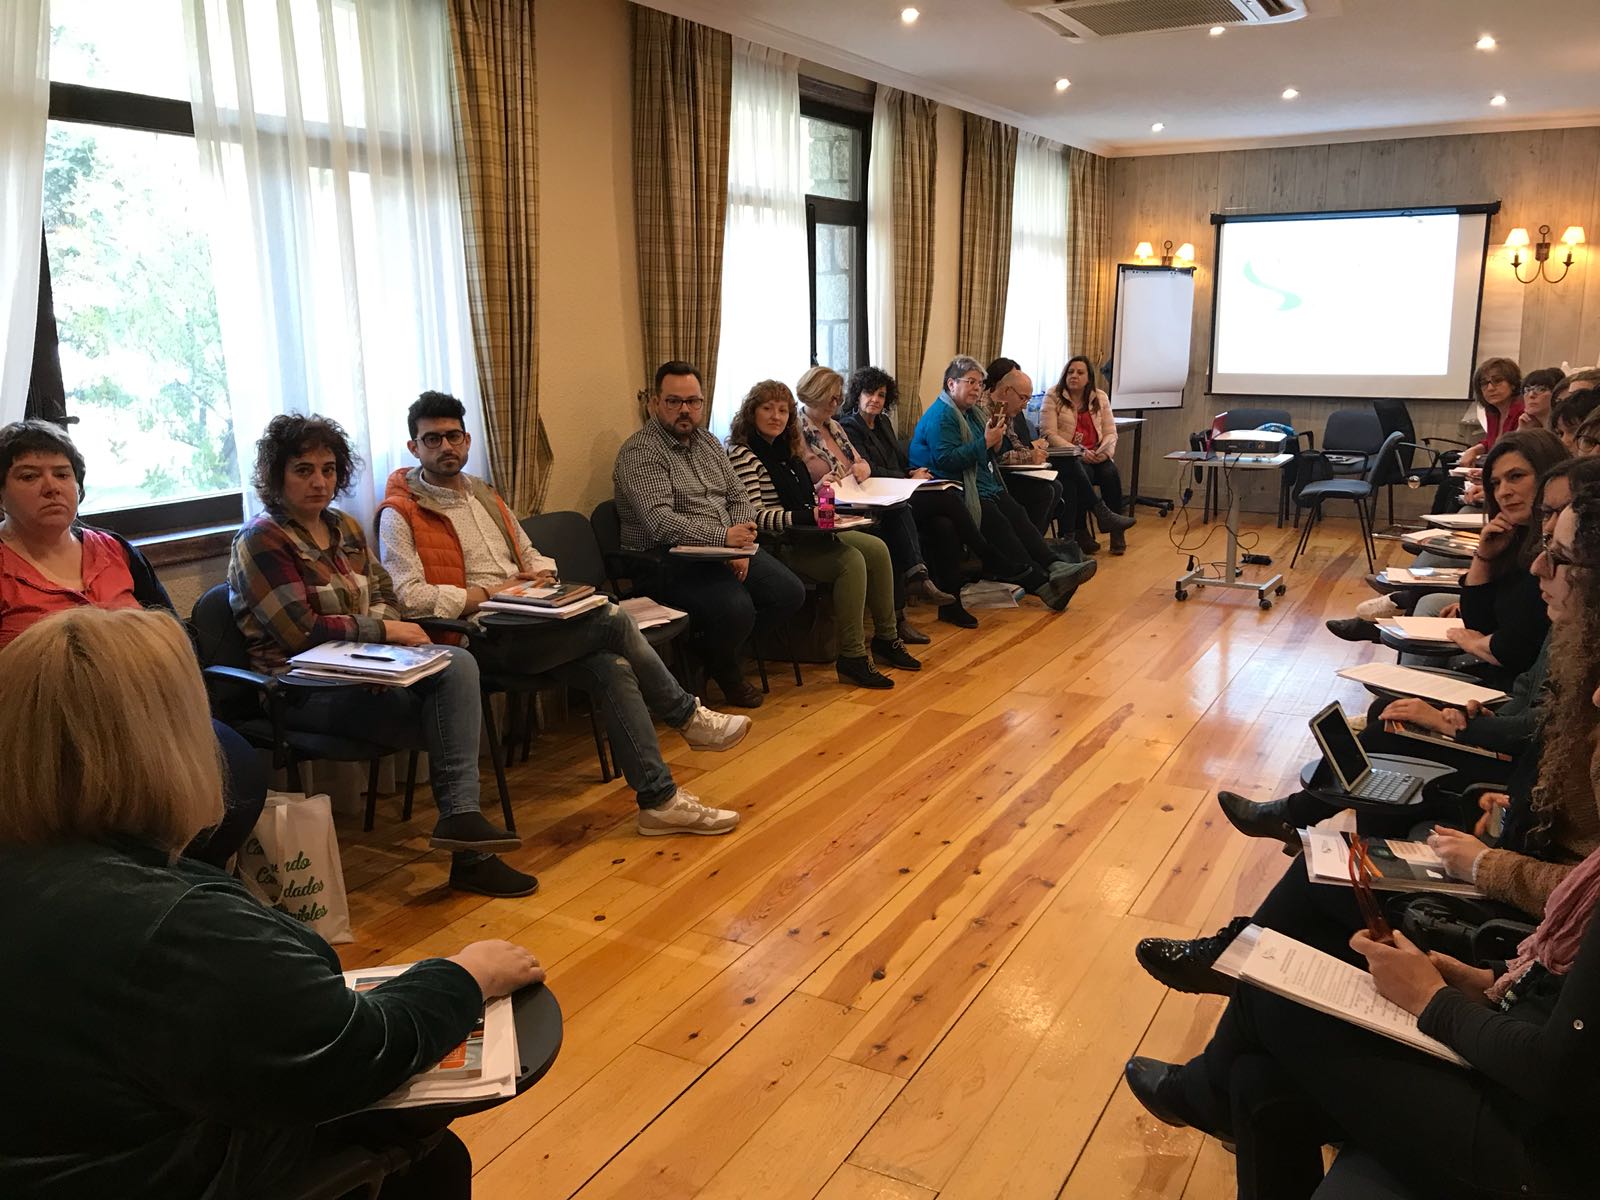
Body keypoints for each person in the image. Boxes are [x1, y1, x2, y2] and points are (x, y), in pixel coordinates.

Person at [1124, 477, 1600, 1200]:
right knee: (1258, 1065)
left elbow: (1558, 1068)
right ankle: (1221, 1041)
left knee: (1271, 994)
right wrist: (1476, 983)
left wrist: (1435, 997)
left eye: (1559, 555)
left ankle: (1228, 987)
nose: (1539, 564)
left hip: (1547, 1150)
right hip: (1521, 996)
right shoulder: (1579, 672)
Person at [0, 606, 545, 1200]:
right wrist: (466, 975)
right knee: (430, 1157)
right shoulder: (177, 924)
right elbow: (355, 1049)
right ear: (171, 744)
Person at [1142, 461, 1600, 1003]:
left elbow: (1583, 892)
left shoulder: (1580, 661)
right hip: (1515, 826)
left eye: (1560, 550)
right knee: (1345, 837)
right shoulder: (1577, 642)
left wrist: (1488, 859)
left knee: (1345, 835)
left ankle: (1250, 957)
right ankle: (1249, 967)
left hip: (1524, 907)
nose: (1540, 562)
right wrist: (1513, 801)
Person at [375, 391, 745, 839]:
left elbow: (530, 552)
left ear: (468, 440)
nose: (445, 447)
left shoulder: (484, 494)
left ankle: (659, 802)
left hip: (531, 620)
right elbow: (411, 598)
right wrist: (490, 593)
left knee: (613, 667)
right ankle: (686, 715)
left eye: (453, 436)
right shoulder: (400, 514)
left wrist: (541, 576)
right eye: (432, 439)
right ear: (414, 447)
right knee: (611, 617)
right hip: (477, 638)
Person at [228, 414, 535, 899]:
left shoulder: (345, 528)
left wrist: (379, 648)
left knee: (457, 666)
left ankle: (463, 826)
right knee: (448, 709)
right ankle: (469, 851)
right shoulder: (261, 539)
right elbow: (298, 631)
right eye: (303, 470)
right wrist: (381, 634)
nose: (319, 481)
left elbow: (385, 594)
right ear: (277, 476)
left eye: (329, 469)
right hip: (301, 690)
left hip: (371, 671)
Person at [0, 419, 265, 868]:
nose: (51, 487)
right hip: (44, 732)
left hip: (147, 713)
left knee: (238, 774)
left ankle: (188, 885)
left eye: (62, 474)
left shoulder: (116, 550)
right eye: (29, 476)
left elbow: (176, 639)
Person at [612, 361, 806, 708]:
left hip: (725, 548)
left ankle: (705, 654)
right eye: (674, 401)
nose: (685, 410)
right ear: (655, 403)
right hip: (666, 559)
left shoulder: (708, 442)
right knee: (737, 609)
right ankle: (727, 670)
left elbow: (739, 497)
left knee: (789, 593)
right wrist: (723, 538)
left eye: (693, 401)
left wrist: (740, 542)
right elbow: (660, 522)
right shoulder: (640, 452)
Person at [1326, 429, 1568, 682]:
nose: (1503, 492)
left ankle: (1402, 613)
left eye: (1516, 477)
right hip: (1499, 667)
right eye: (1495, 483)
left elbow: (1513, 650)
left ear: (1548, 476)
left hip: (1514, 685)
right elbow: (1479, 622)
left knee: (1430, 607)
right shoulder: (1517, 537)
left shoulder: (1551, 555)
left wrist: (1474, 643)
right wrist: (1484, 558)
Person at [726, 380, 918, 690]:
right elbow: (755, 517)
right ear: (751, 412)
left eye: (783, 410)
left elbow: (799, 499)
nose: (776, 416)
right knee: (851, 562)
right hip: (781, 544)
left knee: (877, 548)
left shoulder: (786, 450)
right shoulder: (743, 455)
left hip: (809, 532)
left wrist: (818, 491)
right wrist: (807, 515)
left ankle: (887, 638)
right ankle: (852, 656)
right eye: (767, 409)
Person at [838, 365, 1030, 629]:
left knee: (945, 525)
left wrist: (911, 471)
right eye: (869, 393)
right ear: (857, 395)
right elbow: (869, 470)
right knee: (949, 496)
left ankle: (952, 606)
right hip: (877, 500)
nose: (875, 399)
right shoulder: (850, 427)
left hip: (899, 492)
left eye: (881, 395)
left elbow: (897, 460)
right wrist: (906, 477)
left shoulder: (883, 423)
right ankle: (986, 553)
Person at [908, 356, 1090, 612]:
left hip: (980, 483)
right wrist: (986, 442)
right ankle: (1042, 582)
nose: (977, 388)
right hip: (953, 488)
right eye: (970, 382)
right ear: (951, 384)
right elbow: (947, 461)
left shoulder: (972, 413)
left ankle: (1053, 565)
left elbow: (985, 455)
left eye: (980, 383)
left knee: (1017, 513)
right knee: (1000, 524)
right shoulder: (942, 416)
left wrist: (992, 444)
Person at [795, 365, 951, 643]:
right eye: (831, 397)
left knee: (903, 510)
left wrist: (863, 467)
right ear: (814, 394)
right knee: (891, 530)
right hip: (828, 507)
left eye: (838, 397)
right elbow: (798, 480)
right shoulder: (796, 431)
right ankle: (903, 605)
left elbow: (860, 462)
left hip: (856, 499)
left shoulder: (835, 427)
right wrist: (823, 483)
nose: (836, 403)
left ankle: (910, 591)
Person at [1041, 355, 1137, 554]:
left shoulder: (1100, 397)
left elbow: (1111, 432)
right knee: (1082, 473)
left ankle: (1116, 530)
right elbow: (1048, 434)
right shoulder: (1053, 396)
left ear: (1088, 378)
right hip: (1069, 456)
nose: (1074, 376)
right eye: (1070, 372)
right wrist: (1079, 452)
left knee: (1110, 473)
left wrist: (1105, 452)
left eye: (1080, 372)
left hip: (1097, 454)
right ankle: (1081, 531)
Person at [1456, 356, 1525, 468]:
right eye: (1484, 383)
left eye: (1497, 381)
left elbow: (1515, 454)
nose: (1490, 388)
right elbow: (1490, 442)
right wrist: (1473, 450)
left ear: (1513, 384)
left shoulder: (1522, 412)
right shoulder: (1492, 412)